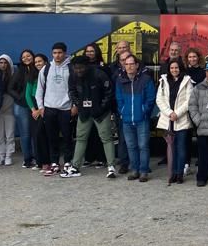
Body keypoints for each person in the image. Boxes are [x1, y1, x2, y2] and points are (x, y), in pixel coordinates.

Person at [61, 55, 117, 179]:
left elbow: (109, 92)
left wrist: (101, 107)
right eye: (76, 68)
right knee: (80, 138)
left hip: (101, 112)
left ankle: (111, 166)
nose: (78, 70)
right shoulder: (73, 76)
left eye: (81, 68)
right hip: (84, 112)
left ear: (87, 66)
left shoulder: (99, 74)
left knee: (106, 138)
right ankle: (75, 167)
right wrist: (79, 105)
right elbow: (72, 92)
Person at [115, 53, 156, 182]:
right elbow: (119, 98)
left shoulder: (145, 79)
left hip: (141, 119)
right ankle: (135, 170)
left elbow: (151, 98)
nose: (129, 66)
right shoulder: (120, 80)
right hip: (127, 120)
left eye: (132, 64)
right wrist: (122, 111)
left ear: (137, 65)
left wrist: (144, 110)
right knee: (131, 146)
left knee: (143, 146)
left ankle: (143, 171)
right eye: (126, 64)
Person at [36, 42, 73, 173]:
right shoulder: (45, 69)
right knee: (52, 138)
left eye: (60, 53)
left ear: (65, 53)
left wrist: (74, 106)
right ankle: (54, 162)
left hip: (66, 108)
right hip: (49, 108)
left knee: (67, 137)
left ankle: (68, 161)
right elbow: (39, 89)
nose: (57, 55)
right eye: (54, 53)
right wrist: (41, 107)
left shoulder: (71, 68)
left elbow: (75, 88)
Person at [157, 58, 193, 185]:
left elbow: (189, 100)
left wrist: (177, 113)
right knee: (171, 148)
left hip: (181, 119)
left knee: (181, 148)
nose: (174, 70)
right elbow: (159, 99)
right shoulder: (163, 81)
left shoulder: (187, 81)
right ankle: (172, 173)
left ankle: (179, 173)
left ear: (180, 68)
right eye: (172, 68)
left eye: (176, 67)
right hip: (168, 120)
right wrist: (169, 113)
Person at [8, 49, 37, 168]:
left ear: (33, 56)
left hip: (35, 106)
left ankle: (37, 157)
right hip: (22, 106)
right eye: (23, 57)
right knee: (25, 134)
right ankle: (27, 159)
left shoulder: (38, 70)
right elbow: (10, 88)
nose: (26, 58)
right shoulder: (19, 71)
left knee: (35, 133)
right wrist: (20, 97)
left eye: (28, 56)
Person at [29, 54, 53, 174]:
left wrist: (41, 109)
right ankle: (42, 162)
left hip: (50, 108)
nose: (38, 63)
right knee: (39, 135)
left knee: (49, 136)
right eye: (36, 62)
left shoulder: (50, 73)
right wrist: (36, 109)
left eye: (40, 61)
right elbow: (30, 94)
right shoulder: (34, 75)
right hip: (39, 109)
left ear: (45, 62)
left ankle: (51, 162)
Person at [0, 54, 16, 166]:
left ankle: (8, 156)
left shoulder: (13, 76)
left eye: (5, 63)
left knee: (10, 134)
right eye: (1, 63)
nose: (3, 65)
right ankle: (1, 155)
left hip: (9, 108)